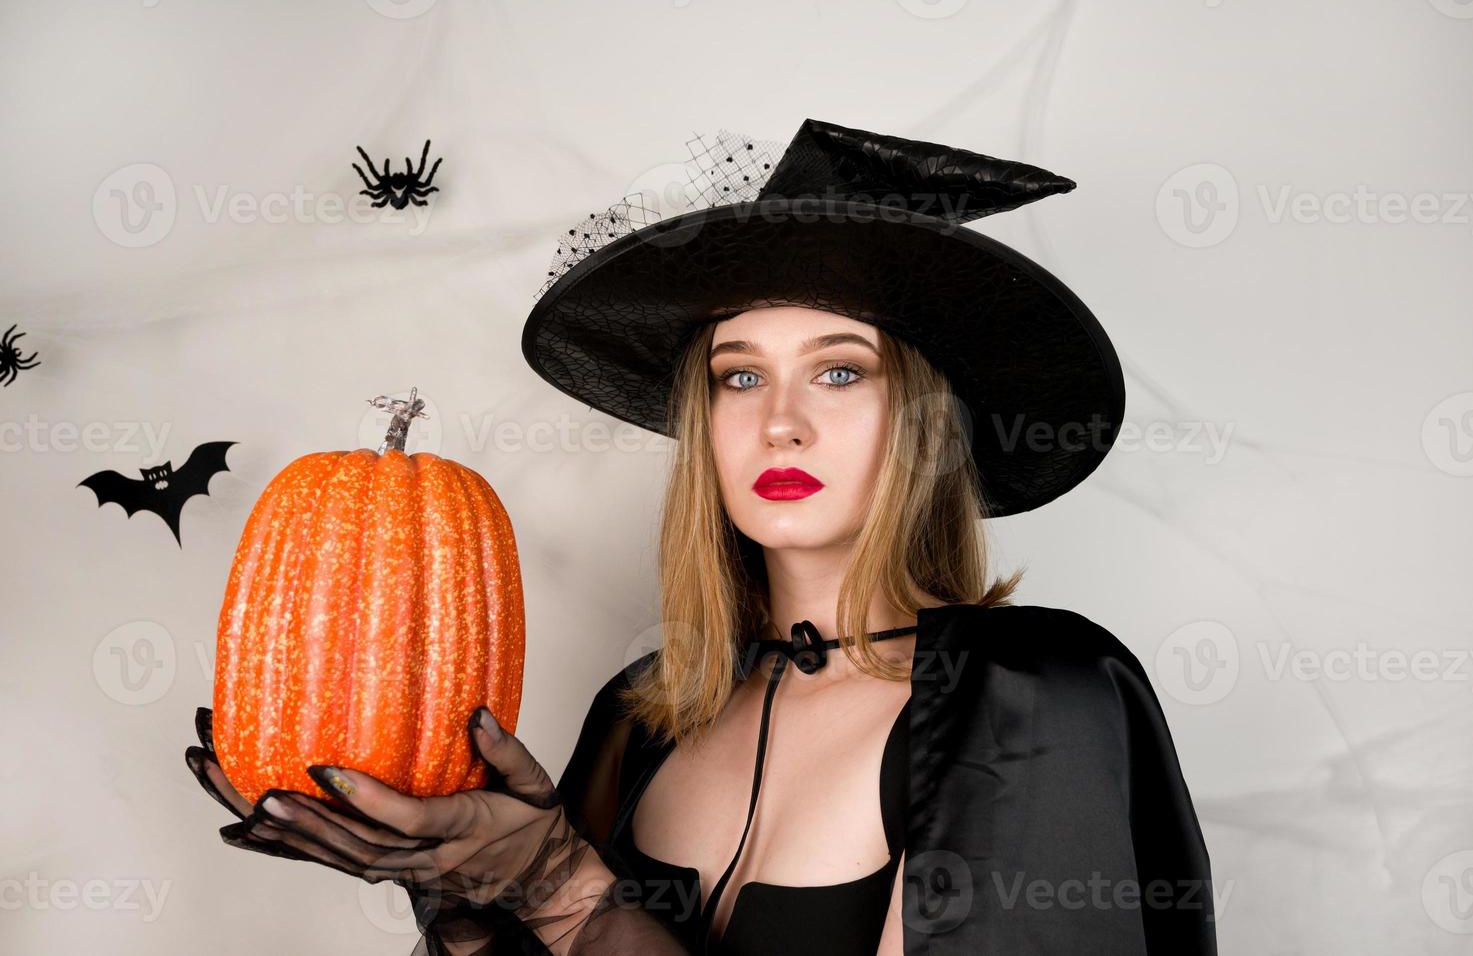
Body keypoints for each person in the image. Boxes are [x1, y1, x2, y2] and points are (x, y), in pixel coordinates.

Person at [186, 118, 1217, 955]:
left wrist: (562, 889)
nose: (780, 419)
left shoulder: (1038, 694)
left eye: (841, 368)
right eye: (739, 374)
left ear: (926, 421)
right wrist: (465, 904)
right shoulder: (641, 713)